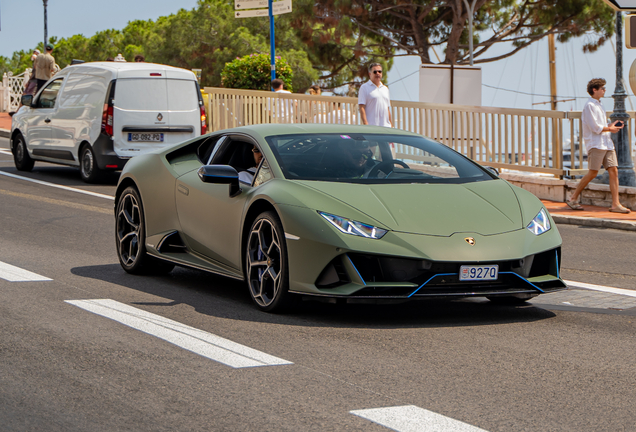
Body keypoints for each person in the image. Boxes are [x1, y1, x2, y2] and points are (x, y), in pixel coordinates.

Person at [567, 78, 630, 213]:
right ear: (594, 90)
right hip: (596, 144)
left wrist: (612, 126)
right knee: (593, 173)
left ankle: (615, 204)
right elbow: (595, 127)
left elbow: (602, 126)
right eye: (602, 88)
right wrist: (610, 129)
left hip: (607, 143)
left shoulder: (599, 105)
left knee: (614, 171)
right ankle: (573, 198)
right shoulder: (589, 106)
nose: (604, 90)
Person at [358, 62, 392, 128]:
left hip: (386, 127)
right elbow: (361, 107)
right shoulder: (364, 87)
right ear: (370, 74)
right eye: (375, 72)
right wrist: (366, 124)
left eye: (379, 71)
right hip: (372, 128)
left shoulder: (385, 89)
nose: (377, 73)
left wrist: (391, 125)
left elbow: (387, 108)